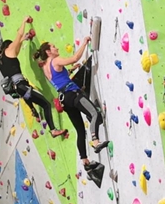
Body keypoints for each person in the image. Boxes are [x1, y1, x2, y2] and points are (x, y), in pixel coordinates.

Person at [34, 36, 109, 185]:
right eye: (53, 46)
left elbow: (59, 78)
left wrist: (71, 70)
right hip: (73, 94)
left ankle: (85, 162)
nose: (56, 48)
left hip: (64, 100)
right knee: (94, 113)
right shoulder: (55, 60)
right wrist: (85, 42)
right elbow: (75, 57)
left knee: (80, 130)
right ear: (48, 52)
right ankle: (95, 141)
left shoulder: (45, 68)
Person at [0, 16, 67, 138]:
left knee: (28, 95)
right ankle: (53, 130)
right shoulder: (8, 50)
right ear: (8, 46)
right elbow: (18, 37)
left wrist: (24, 39)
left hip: (19, 89)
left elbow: (16, 50)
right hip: (22, 86)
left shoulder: (1, 60)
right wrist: (23, 22)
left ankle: (33, 110)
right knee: (45, 104)